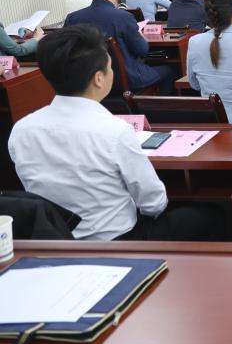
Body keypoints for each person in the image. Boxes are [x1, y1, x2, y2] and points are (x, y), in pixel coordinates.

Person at [8, 25, 168, 240]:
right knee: (198, 217)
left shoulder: (21, 129)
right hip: (117, 240)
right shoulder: (115, 131)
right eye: (110, 67)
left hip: (52, 239)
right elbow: (153, 203)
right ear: (98, 78)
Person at [64, 0, 177, 94]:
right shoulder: (123, 17)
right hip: (128, 79)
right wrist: (141, 36)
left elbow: (67, 52)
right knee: (170, 71)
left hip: (87, 81)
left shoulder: (72, 18)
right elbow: (142, 50)